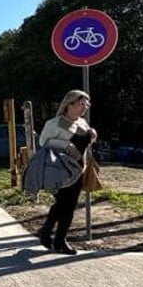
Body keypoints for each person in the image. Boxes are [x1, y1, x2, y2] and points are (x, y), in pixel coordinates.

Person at [36, 89, 97, 255]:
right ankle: (56, 237)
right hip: (59, 170)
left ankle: (51, 234)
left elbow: (83, 145)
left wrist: (93, 136)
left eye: (86, 104)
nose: (85, 107)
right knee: (65, 205)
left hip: (78, 170)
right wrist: (63, 144)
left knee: (66, 205)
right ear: (69, 104)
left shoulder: (82, 123)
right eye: (81, 104)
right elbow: (43, 143)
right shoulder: (55, 123)